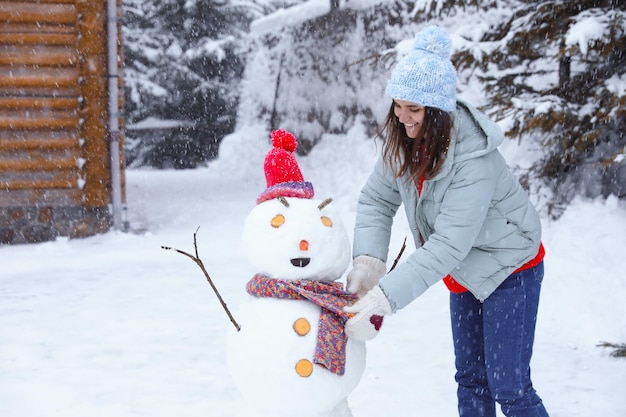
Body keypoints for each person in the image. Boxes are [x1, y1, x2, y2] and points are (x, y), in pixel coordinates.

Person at [343, 25, 550, 417]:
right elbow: (375, 200)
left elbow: (448, 244)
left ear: (437, 113)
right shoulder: (403, 143)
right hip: (463, 268)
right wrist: (369, 263)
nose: (402, 118)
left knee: (509, 386)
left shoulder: (475, 160)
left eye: (414, 110)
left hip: (510, 267)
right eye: (398, 106)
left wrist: (384, 297)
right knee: (471, 378)